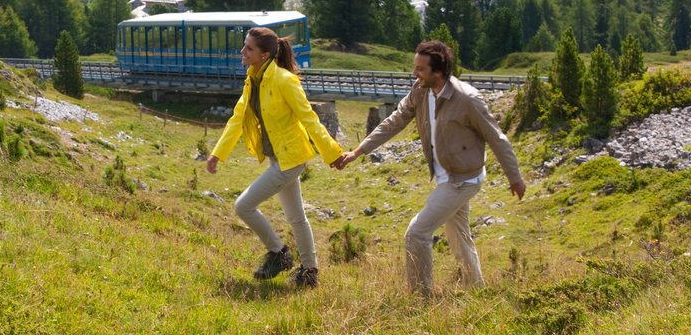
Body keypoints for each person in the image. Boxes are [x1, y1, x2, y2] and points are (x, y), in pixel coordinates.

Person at [337, 40, 526, 297]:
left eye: (421, 69)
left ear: (439, 71)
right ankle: (476, 288)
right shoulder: (420, 91)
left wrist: (514, 178)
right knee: (458, 234)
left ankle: (419, 296)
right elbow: (395, 121)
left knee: (417, 233)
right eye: (415, 67)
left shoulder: (467, 99)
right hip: (445, 177)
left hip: (462, 179)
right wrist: (359, 151)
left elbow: (497, 138)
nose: (415, 74)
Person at [206, 27, 346, 288]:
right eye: (244, 46)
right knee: (297, 217)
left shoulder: (284, 80)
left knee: (243, 206)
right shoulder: (253, 80)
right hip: (277, 158)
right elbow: (238, 119)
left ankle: (279, 254)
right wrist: (217, 154)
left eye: (249, 48)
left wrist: (332, 153)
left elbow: (309, 119)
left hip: (291, 159)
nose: (242, 51)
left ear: (265, 54)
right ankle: (310, 272)